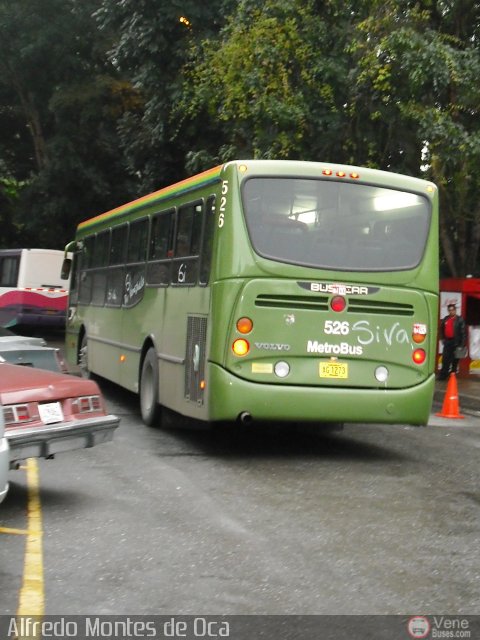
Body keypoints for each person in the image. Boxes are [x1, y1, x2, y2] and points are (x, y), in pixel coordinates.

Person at [438, 303, 466, 380]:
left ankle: (452, 376)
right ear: (448, 311)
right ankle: (443, 376)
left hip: (456, 343)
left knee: (455, 361)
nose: (451, 311)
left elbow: (463, 333)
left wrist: (462, 345)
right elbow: (441, 329)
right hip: (447, 342)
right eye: (449, 310)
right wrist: (443, 339)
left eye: (453, 310)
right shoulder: (445, 319)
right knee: (445, 360)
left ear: (455, 310)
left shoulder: (460, 319)